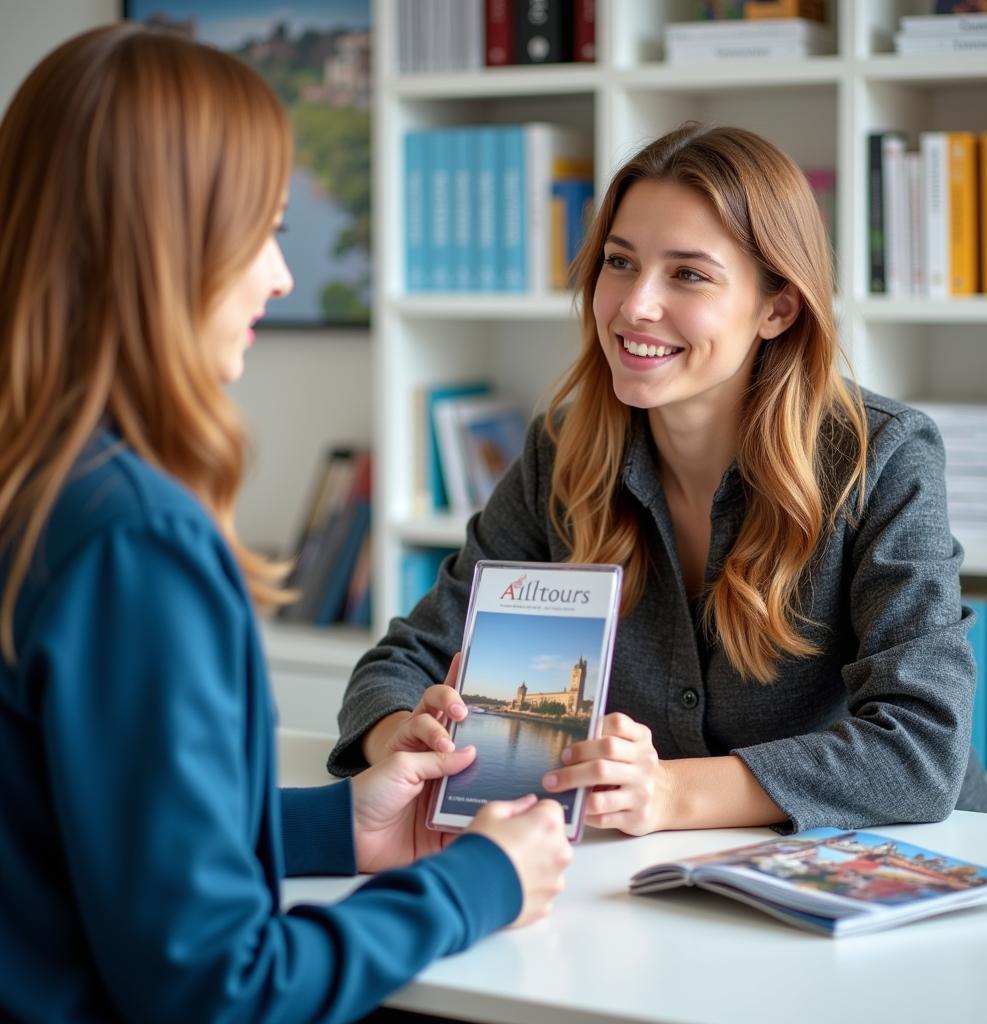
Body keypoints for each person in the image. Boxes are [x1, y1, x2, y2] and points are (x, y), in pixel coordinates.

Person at [0, 24, 572, 1024]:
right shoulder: (133, 539)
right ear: (165, 246)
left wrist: (342, 826)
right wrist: (478, 882)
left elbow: (85, 831)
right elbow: (216, 986)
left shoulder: (40, 489)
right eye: (261, 232)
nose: (280, 276)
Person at [331, 121, 987, 835]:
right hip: (660, 885)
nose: (634, 304)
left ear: (777, 307)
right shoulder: (562, 452)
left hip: (901, 871)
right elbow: (400, 661)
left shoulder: (883, 458)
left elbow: (922, 750)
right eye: (620, 262)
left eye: (688, 274)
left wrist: (671, 795)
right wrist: (403, 734)